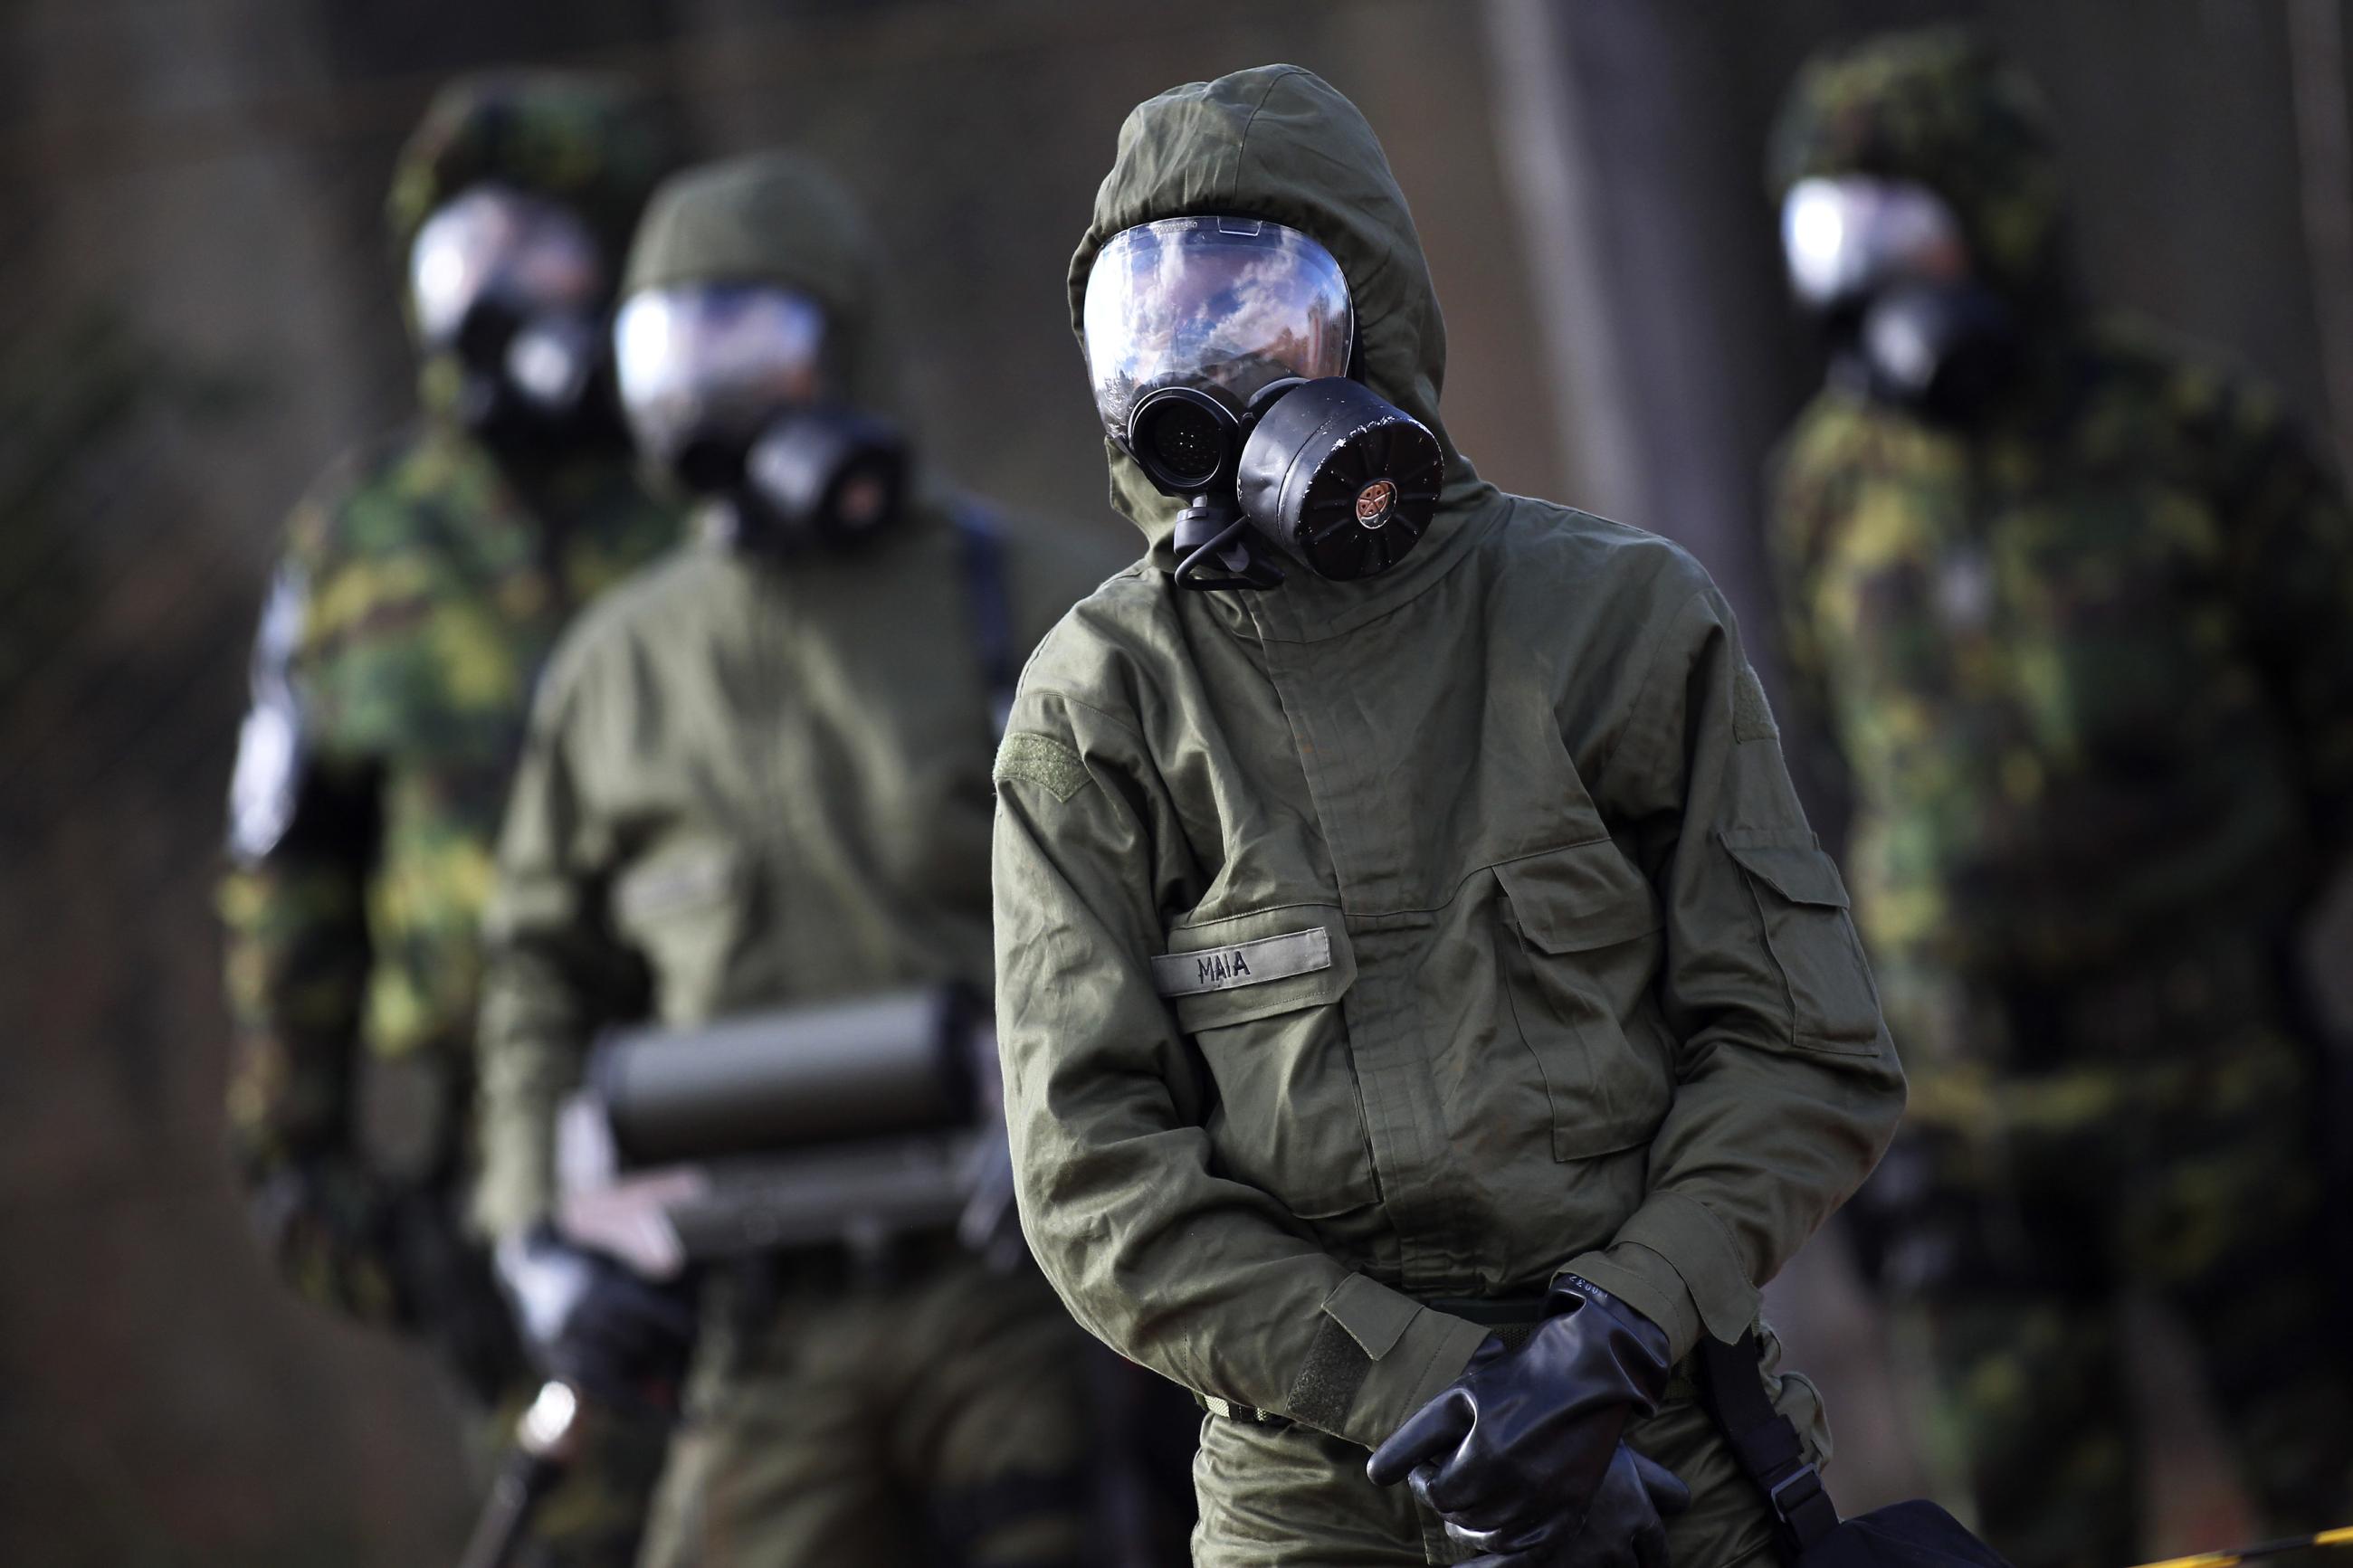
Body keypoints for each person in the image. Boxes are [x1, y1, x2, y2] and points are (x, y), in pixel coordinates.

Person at [991, 63, 1908, 1568]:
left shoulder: (1615, 614)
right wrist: (1429, 1380)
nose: (1197, 375)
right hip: (1315, 1493)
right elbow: (1093, 1179)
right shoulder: (1098, 704)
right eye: (1148, 331)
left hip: (1663, 1435)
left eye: (1249, 314)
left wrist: (1613, 1331)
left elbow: (1807, 1049)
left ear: (1378, 314)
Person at [471, 149, 1138, 1568]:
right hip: (760, 1317)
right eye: (671, 348)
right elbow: (533, 980)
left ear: (846, 348)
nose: (706, 395)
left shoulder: (1044, 608)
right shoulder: (617, 675)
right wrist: (541, 1241)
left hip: (1025, 1276)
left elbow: (1197, 912)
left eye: (749, 340)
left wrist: (1108, 1144)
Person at [1766, 27, 2353, 1568]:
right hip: (1978, 1137)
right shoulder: (1828, 488)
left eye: (1907, 229)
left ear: (1999, 211)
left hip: (2224, 1096)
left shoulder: (2193, 440)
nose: (1871, 282)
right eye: (1833, 241)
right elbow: (1843, 754)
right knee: (2019, 1536)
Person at [219, 69, 681, 1566]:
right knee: (586, 1511)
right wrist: (308, 1161)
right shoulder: (363, 548)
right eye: (463, 256)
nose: (499, 297)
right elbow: (291, 865)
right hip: (510, 1147)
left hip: (749, 1067)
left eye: (542, 252)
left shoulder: (696, 502)